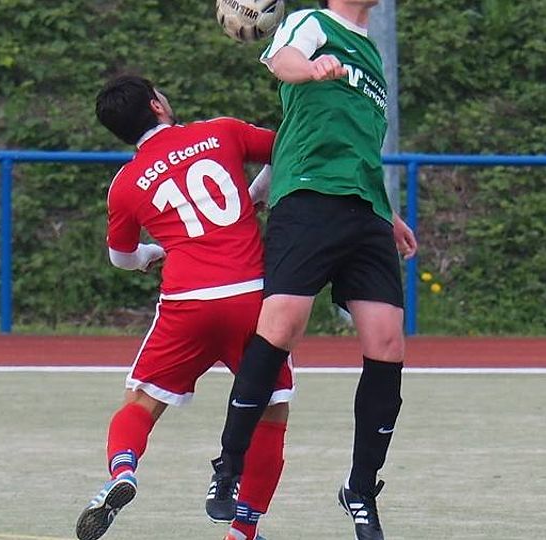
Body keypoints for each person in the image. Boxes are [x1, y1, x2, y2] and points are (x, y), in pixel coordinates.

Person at [204, 1, 417, 539]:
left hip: (365, 207)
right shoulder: (312, 23)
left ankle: (360, 489)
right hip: (308, 196)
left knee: (388, 343)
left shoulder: (371, 54)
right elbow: (283, 61)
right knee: (282, 325)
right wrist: (312, 66)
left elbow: (354, 141)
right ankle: (229, 465)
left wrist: (389, 214)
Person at [75, 74, 293, 540]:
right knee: (271, 412)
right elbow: (288, 148)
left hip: (187, 302)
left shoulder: (125, 184)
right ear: (157, 104)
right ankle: (243, 531)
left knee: (141, 401)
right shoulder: (221, 131)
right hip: (251, 297)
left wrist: (153, 254)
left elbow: (121, 258)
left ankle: (123, 471)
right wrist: (253, 196)